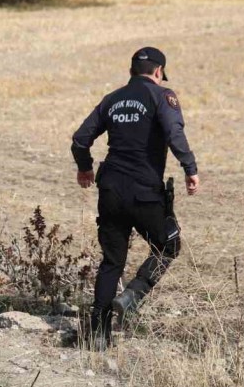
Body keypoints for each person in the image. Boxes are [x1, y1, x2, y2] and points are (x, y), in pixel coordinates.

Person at [71, 47, 200, 350]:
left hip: (111, 190)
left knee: (112, 261)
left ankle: (98, 335)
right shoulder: (162, 96)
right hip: (144, 191)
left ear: (131, 71)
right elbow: (174, 133)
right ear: (158, 72)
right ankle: (133, 295)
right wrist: (190, 168)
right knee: (168, 245)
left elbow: (80, 139)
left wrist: (85, 168)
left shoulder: (112, 99)